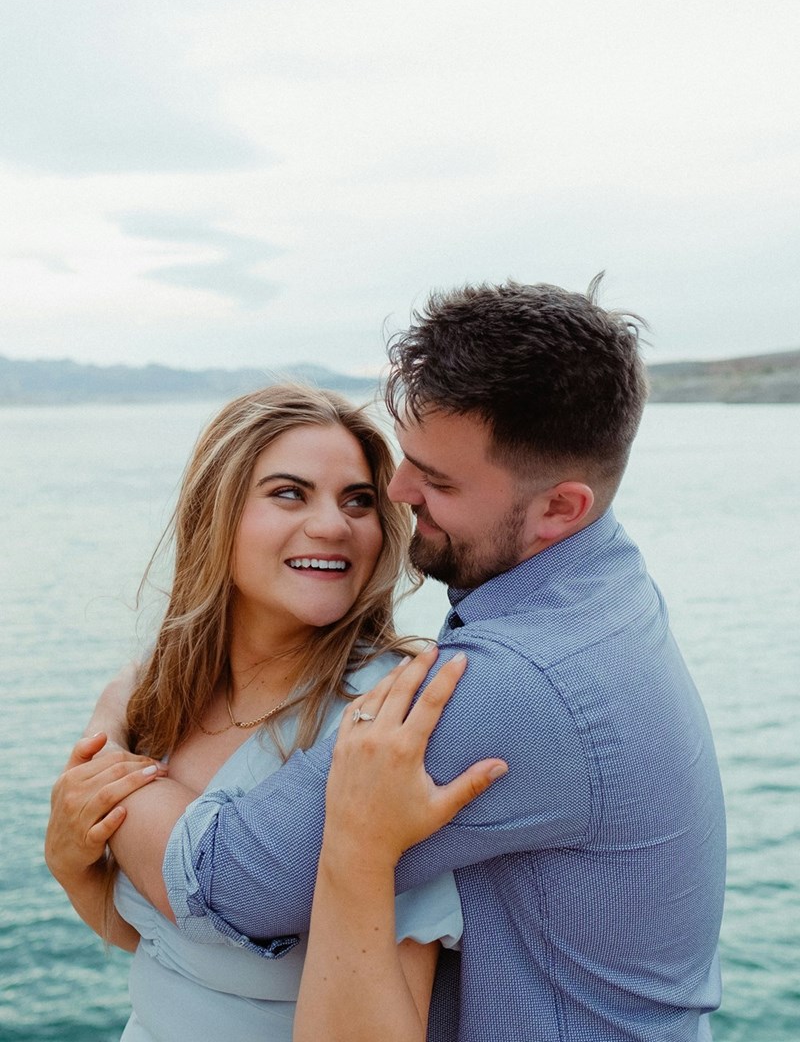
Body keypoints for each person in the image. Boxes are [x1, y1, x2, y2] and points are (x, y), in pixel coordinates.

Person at [74, 278, 727, 1041]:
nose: (398, 490)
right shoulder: (604, 585)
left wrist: (103, 750)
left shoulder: (506, 684)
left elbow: (232, 881)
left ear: (560, 508)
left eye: (436, 481)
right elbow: (168, 953)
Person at [46, 383, 476, 1041]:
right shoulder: (164, 692)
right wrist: (70, 867)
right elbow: (161, 947)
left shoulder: (388, 720)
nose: (333, 525)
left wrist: (104, 743)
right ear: (214, 515)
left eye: (358, 500)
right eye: (290, 493)